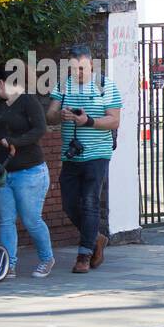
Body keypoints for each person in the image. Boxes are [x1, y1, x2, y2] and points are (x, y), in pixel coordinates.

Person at [0, 62, 54, 278]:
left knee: (31, 220)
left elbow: (40, 129)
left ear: (1, 82)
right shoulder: (1, 104)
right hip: (3, 171)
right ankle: (9, 264)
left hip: (30, 172)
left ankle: (47, 259)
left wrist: (15, 141)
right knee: (5, 220)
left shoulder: (28, 101)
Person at [46, 44, 121, 274]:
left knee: (89, 202)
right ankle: (97, 238)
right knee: (69, 204)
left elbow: (114, 121)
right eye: (73, 68)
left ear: (91, 64)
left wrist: (88, 121)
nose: (77, 73)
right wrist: (61, 115)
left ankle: (84, 255)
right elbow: (49, 116)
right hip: (72, 155)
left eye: (81, 68)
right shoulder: (63, 85)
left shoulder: (106, 85)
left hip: (97, 154)